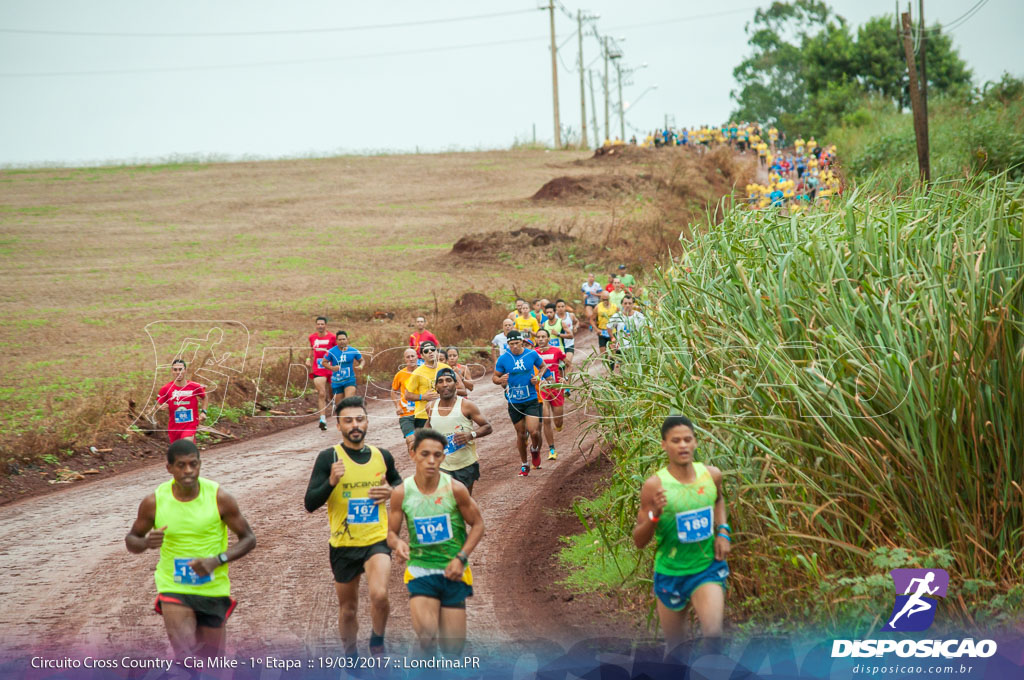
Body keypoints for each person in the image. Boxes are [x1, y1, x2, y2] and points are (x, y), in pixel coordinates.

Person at [126, 439, 256, 660]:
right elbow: (132, 540)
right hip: (174, 585)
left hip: (212, 588)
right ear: (169, 468)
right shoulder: (154, 502)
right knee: (187, 656)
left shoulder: (219, 498)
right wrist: (147, 542)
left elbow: (248, 539)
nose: (188, 471)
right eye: (181, 465)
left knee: (212, 661)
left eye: (193, 464)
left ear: (200, 465)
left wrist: (217, 560)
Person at [304, 396, 403, 656]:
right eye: (348, 421)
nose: (355, 425)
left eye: (359, 419)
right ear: (339, 425)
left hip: (376, 540)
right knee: (348, 608)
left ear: (368, 422)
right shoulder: (329, 458)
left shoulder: (383, 456)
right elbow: (310, 503)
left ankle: (377, 642)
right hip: (343, 544)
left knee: (380, 595)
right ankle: (351, 654)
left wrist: (390, 491)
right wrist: (331, 482)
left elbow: (400, 487)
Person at [632, 416, 731, 657]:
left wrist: (723, 532)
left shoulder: (711, 475)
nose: (683, 445)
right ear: (664, 445)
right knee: (676, 649)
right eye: (676, 440)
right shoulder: (655, 486)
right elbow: (639, 540)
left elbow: (718, 500)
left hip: (705, 568)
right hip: (671, 573)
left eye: (688, 439)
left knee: (714, 635)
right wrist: (655, 515)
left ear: (696, 442)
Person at [386, 429, 485, 656]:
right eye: (425, 454)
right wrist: (398, 544)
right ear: (413, 455)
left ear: (443, 457)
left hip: (453, 572)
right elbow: (391, 533)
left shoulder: (456, 489)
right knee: (427, 638)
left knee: (453, 650)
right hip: (420, 571)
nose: (431, 461)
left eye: (437, 455)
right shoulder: (401, 493)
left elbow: (478, 525)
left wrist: (461, 558)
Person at [492, 330, 552, 476]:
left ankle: (535, 450)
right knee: (521, 434)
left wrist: (538, 378)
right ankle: (524, 463)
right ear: (508, 344)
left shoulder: (531, 354)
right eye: (511, 344)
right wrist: (501, 380)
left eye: (517, 343)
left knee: (534, 431)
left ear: (522, 341)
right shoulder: (503, 358)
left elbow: (544, 366)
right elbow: (495, 376)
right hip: (514, 401)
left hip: (531, 399)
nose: (515, 346)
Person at [426, 368, 492, 494]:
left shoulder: (467, 405)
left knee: (463, 505)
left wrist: (471, 435)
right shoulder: (430, 407)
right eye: (440, 381)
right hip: (441, 465)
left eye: (448, 380)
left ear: (456, 385)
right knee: (445, 504)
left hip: (465, 465)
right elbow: (429, 425)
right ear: (436, 387)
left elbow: (487, 426)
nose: (445, 384)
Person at [403, 341, 465, 429]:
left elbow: (462, 389)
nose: (430, 352)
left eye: (432, 349)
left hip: (446, 412)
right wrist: (423, 397)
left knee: (448, 441)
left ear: (436, 352)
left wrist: (444, 394)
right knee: (425, 442)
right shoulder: (417, 373)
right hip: (423, 415)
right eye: (426, 351)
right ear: (422, 356)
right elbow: (407, 395)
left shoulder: (446, 368)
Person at [149, 359, 207, 443]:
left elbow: (204, 397)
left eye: (180, 369)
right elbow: (157, 404)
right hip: (174, 428)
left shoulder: (194, 386)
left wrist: (204, 411)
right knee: (178, 453)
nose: (178, 372)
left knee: (186, 444)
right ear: (172, 371)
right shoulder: (166, 388)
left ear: (185, 370)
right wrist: (160, 407)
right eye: (175, 370)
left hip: (190, 425)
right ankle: (192, 455)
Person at [534, 329, 567, 461]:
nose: (541, 339)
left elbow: (568, 365)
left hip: (556, 388)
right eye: (539, 337)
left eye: (543, 337)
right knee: (546, 419)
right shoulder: (533, 353)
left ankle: (559, 425)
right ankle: (552, 449)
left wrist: (565, 378)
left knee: (557, 421)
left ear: (548, 339)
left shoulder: (556, 351)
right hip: (542, 389)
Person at [308, 316, 337, 431]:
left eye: (322, 324)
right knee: (321, 393)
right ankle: (322, 419)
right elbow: (311, 349)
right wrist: (308, 358)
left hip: (330, 367)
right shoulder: (312, 337)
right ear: (316, 325)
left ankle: (335, 405)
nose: (320, 326)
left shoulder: (332, 337)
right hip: (318, 368)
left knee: (332, 394)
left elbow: (337, 350)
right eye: (318, 324)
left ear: (326, 325)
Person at [323, 330, 364, 406]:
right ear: (336, 341)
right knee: (340, 405)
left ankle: (351, 414)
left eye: (344, 339)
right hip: (337, 381)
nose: (342, 341)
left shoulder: (353, 350)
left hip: (350, 379)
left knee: (348, 401)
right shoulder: (331, 351)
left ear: (347, 340)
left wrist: (360, 366)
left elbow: (362, 360)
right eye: (340, 339)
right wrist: (332, 368)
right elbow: (324, 362)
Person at [607, 294, 647, 371]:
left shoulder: (639, 316)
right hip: (622, 347)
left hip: (636, 347)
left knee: (635, 369)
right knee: (623, 369)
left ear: (633, 304)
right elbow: (609, 326)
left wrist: (644, 337)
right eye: (625, 303)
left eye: (629, 303)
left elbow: (648, 326)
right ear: (622, 304)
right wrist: (612, 338)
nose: (627, 305)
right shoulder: (617, 316)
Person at [391, 348, 420, 453]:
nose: (411, 359)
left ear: (417, 357)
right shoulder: (400, 375)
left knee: (424, 441)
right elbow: (393, 391)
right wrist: (397, 406)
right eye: (408, 357)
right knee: (411, 440)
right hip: (406, 413)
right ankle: (415, 459)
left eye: (413, 356)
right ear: (404, 359)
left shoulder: (424, 372)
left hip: (422, 412)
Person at [553, 299, 576, 373]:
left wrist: (576, 327)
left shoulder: (570, 315)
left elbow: (577, 321)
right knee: (560, 368)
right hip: (559, 346)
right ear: (556, 308)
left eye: (562, 306)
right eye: (558, 307)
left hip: (569, 344)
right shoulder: (554, 318)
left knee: (568, 363)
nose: (560, 308)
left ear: (565, 307)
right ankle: (563, 382)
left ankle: (568, 383)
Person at [594, 290, 618, 357]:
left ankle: (613, 366)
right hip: (602, 332)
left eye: (606, 299)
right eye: (603, 299)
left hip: (612, 332)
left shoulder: (615, 307)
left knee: (613, 352)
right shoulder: (597, 307)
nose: (605, 301)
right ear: (601, 298)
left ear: (609, 298)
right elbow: (592, 320)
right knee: (603, 354)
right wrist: (596, 329)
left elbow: (621, 318)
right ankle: (607, 366)